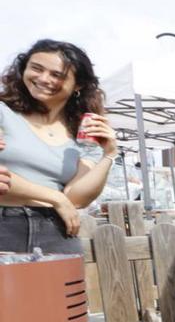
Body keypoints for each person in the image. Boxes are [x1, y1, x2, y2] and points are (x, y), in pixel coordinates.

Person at [0, 39, 117, 254]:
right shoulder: (3, 112)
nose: (43, 79)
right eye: (36, 68)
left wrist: (109, 154)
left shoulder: (82, 132)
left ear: (78, 85)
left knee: (62, 288)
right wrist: (55, 197)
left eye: (57, 75)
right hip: (4, 225)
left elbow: (77, 198)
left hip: (57, 230)